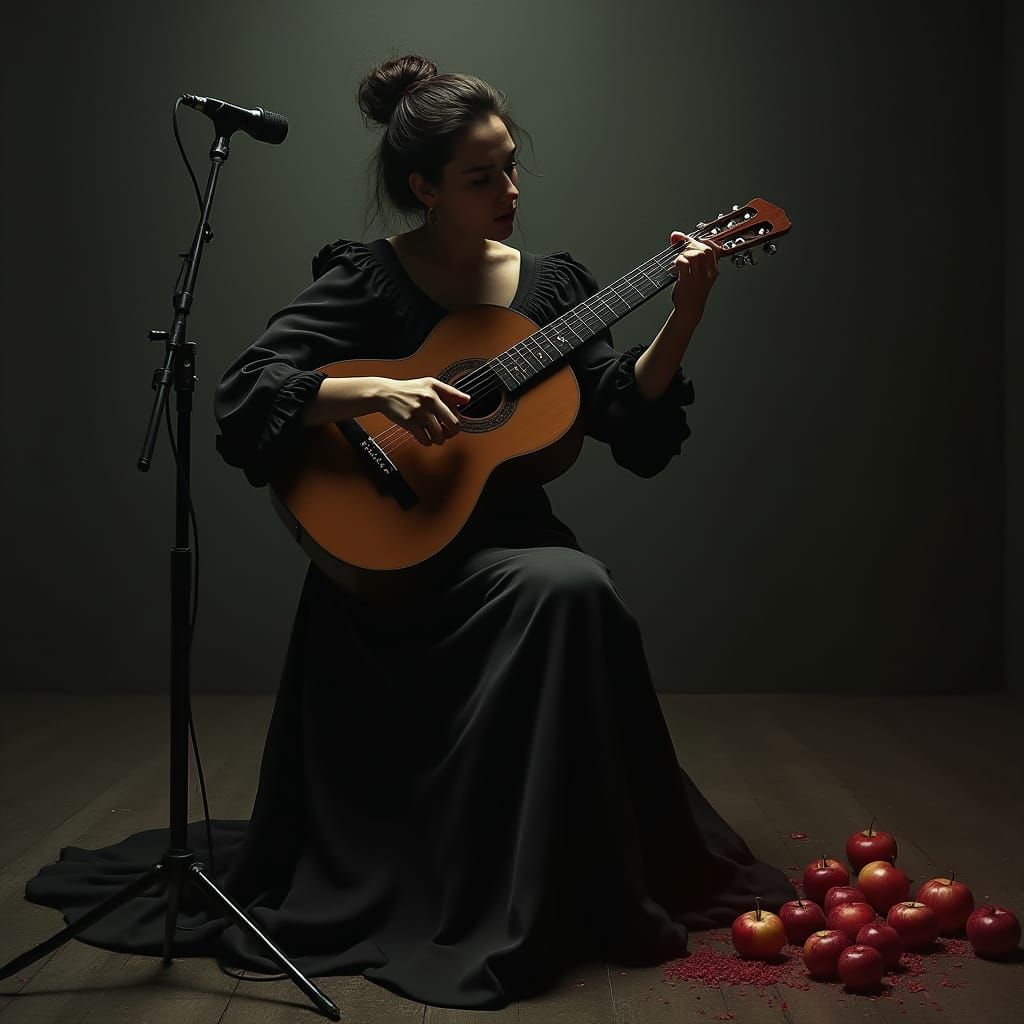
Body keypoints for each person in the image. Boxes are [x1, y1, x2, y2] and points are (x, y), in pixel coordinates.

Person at [23, 54, 797, 1010]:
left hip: (507, 541)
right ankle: (445, 878)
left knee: (575, 589)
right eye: (482, 177)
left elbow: (623, 411)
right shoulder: (371, 279)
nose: (509, 190)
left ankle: (556, 876)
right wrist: (375, 390)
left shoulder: (550, 286)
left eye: (511, 167)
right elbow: (249, 391)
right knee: (567, 591)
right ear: (424, 187)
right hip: (392, 548)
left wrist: (685, 314)